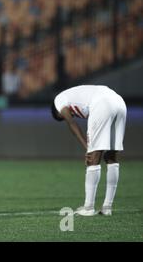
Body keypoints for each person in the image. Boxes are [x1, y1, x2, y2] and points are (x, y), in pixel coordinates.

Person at [51, 85, 126, 216]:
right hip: (119, 102)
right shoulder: (72, 95)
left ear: (56, 111)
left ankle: (88, 207)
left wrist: (88, 148)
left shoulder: (58, 100)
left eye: (60, 117)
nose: (64, 117)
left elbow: (72, 124)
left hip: (103, 102)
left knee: (93, 158)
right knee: (111, 156)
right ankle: (107, 207)